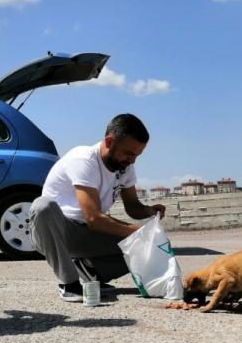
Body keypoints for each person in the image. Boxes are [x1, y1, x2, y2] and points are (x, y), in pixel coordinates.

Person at [29, 114, 165, 302]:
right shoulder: (84, 160)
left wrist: (149, 211)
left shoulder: (124, 166)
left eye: (137, 155)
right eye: (128, 153)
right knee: (43, 206)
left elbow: (132, 207)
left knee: (145, 245)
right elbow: (94, 219)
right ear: (109, 141)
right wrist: (136, 231)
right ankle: (69, 284)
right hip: (57, 232)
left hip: (86, 234)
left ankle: (88, 270)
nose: (132, 160)